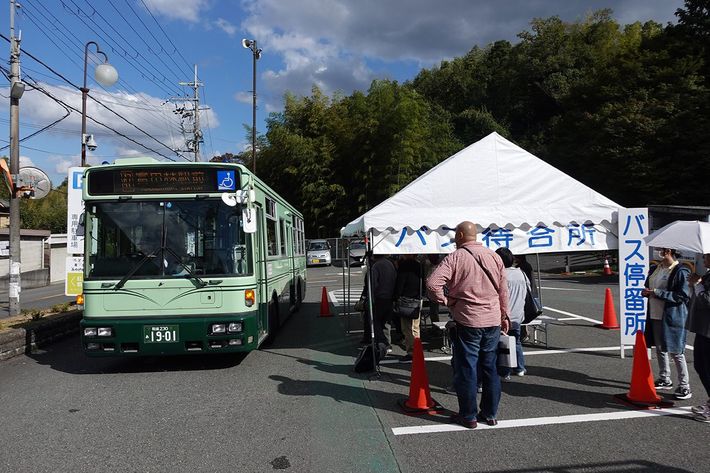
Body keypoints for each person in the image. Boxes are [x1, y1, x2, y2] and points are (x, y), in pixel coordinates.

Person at [427, 221, 509, 428]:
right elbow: (503, 290)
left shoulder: (455, 257)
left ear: (461, 235)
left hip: (468, 319)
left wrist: (447, 301)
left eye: (456, 234)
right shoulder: (494, 256)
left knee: (467, 368)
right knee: (490, 368)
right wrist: (504, 315)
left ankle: (469, 415)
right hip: (492, 320)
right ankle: (490, 414)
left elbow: (432, 284)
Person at [642, 248, 692, 400]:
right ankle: (665, 378)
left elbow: (682, 295)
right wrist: (647, 292)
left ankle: (684, 385)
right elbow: (648, 285)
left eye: (660, 249)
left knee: (676, 351)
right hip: (655, 314)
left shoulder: (681, 271)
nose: (657, 251)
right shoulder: (655, 268)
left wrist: (657, 292)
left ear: (668, 251)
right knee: (660, 348)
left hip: (673, 316)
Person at [496, 248, 527, 379]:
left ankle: (505, 372)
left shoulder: (501, 275)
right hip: (518, 314)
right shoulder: (521, 273)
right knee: (516, 342)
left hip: (505, 316)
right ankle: (520, 368)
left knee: (503, 344)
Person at [688, 253, 710, 422]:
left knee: (706, 368)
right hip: (703, 329)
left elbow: (707, 300)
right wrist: (695, 284)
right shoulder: (708, 274)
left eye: (707, 256)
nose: (703, 259)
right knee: (700, 365)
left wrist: (697, 285)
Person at [362, 254, 397, 352]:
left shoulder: (376, 266)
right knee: (386, 322)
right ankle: (387, 344)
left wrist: (369, 299)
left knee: (375, 321)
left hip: (379, 298)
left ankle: (382, 343)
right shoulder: (390, 264)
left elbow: (373, 285)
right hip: (390, 297)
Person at [394, 254, 423, 361]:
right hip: (417, 298)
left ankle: (411, 351)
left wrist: (396, 297)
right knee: (415, 327)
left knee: (407, 328)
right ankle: (417, 349)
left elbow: (400, 284)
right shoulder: (419, 265)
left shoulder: (404, 266)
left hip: (406, 300)